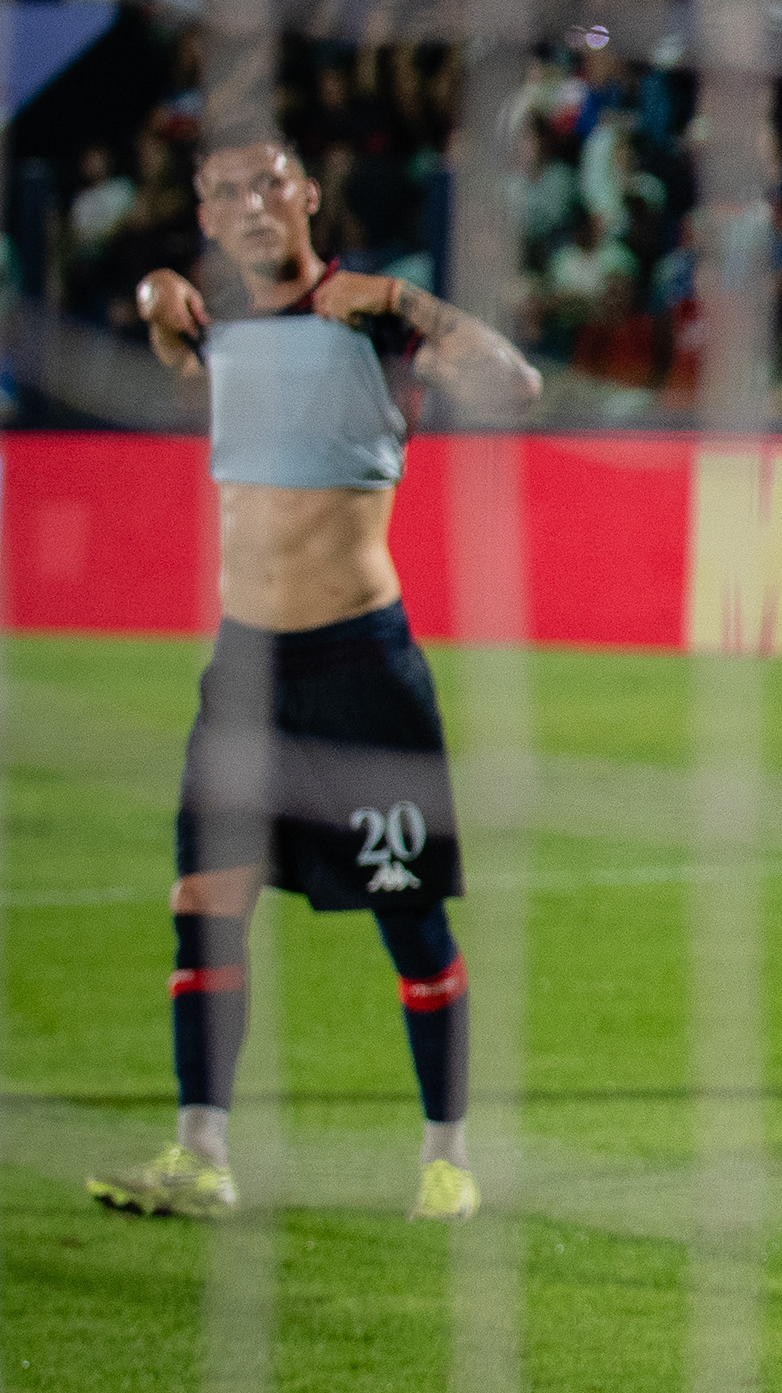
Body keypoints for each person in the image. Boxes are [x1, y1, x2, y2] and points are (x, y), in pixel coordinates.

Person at [96, 140, 540, 1223]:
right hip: (245, 672)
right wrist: (154, 300)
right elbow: (171, 339)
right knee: (205, 902)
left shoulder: (371, 321)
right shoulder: (219, 335)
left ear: (306, 196)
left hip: (361, 671)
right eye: (227, 193)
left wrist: (404, 302)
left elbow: (515, 386)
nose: (252, 206)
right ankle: (202, 1153)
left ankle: (449, 1156)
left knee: (411, 918)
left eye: (269, 185)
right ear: (207, 218)